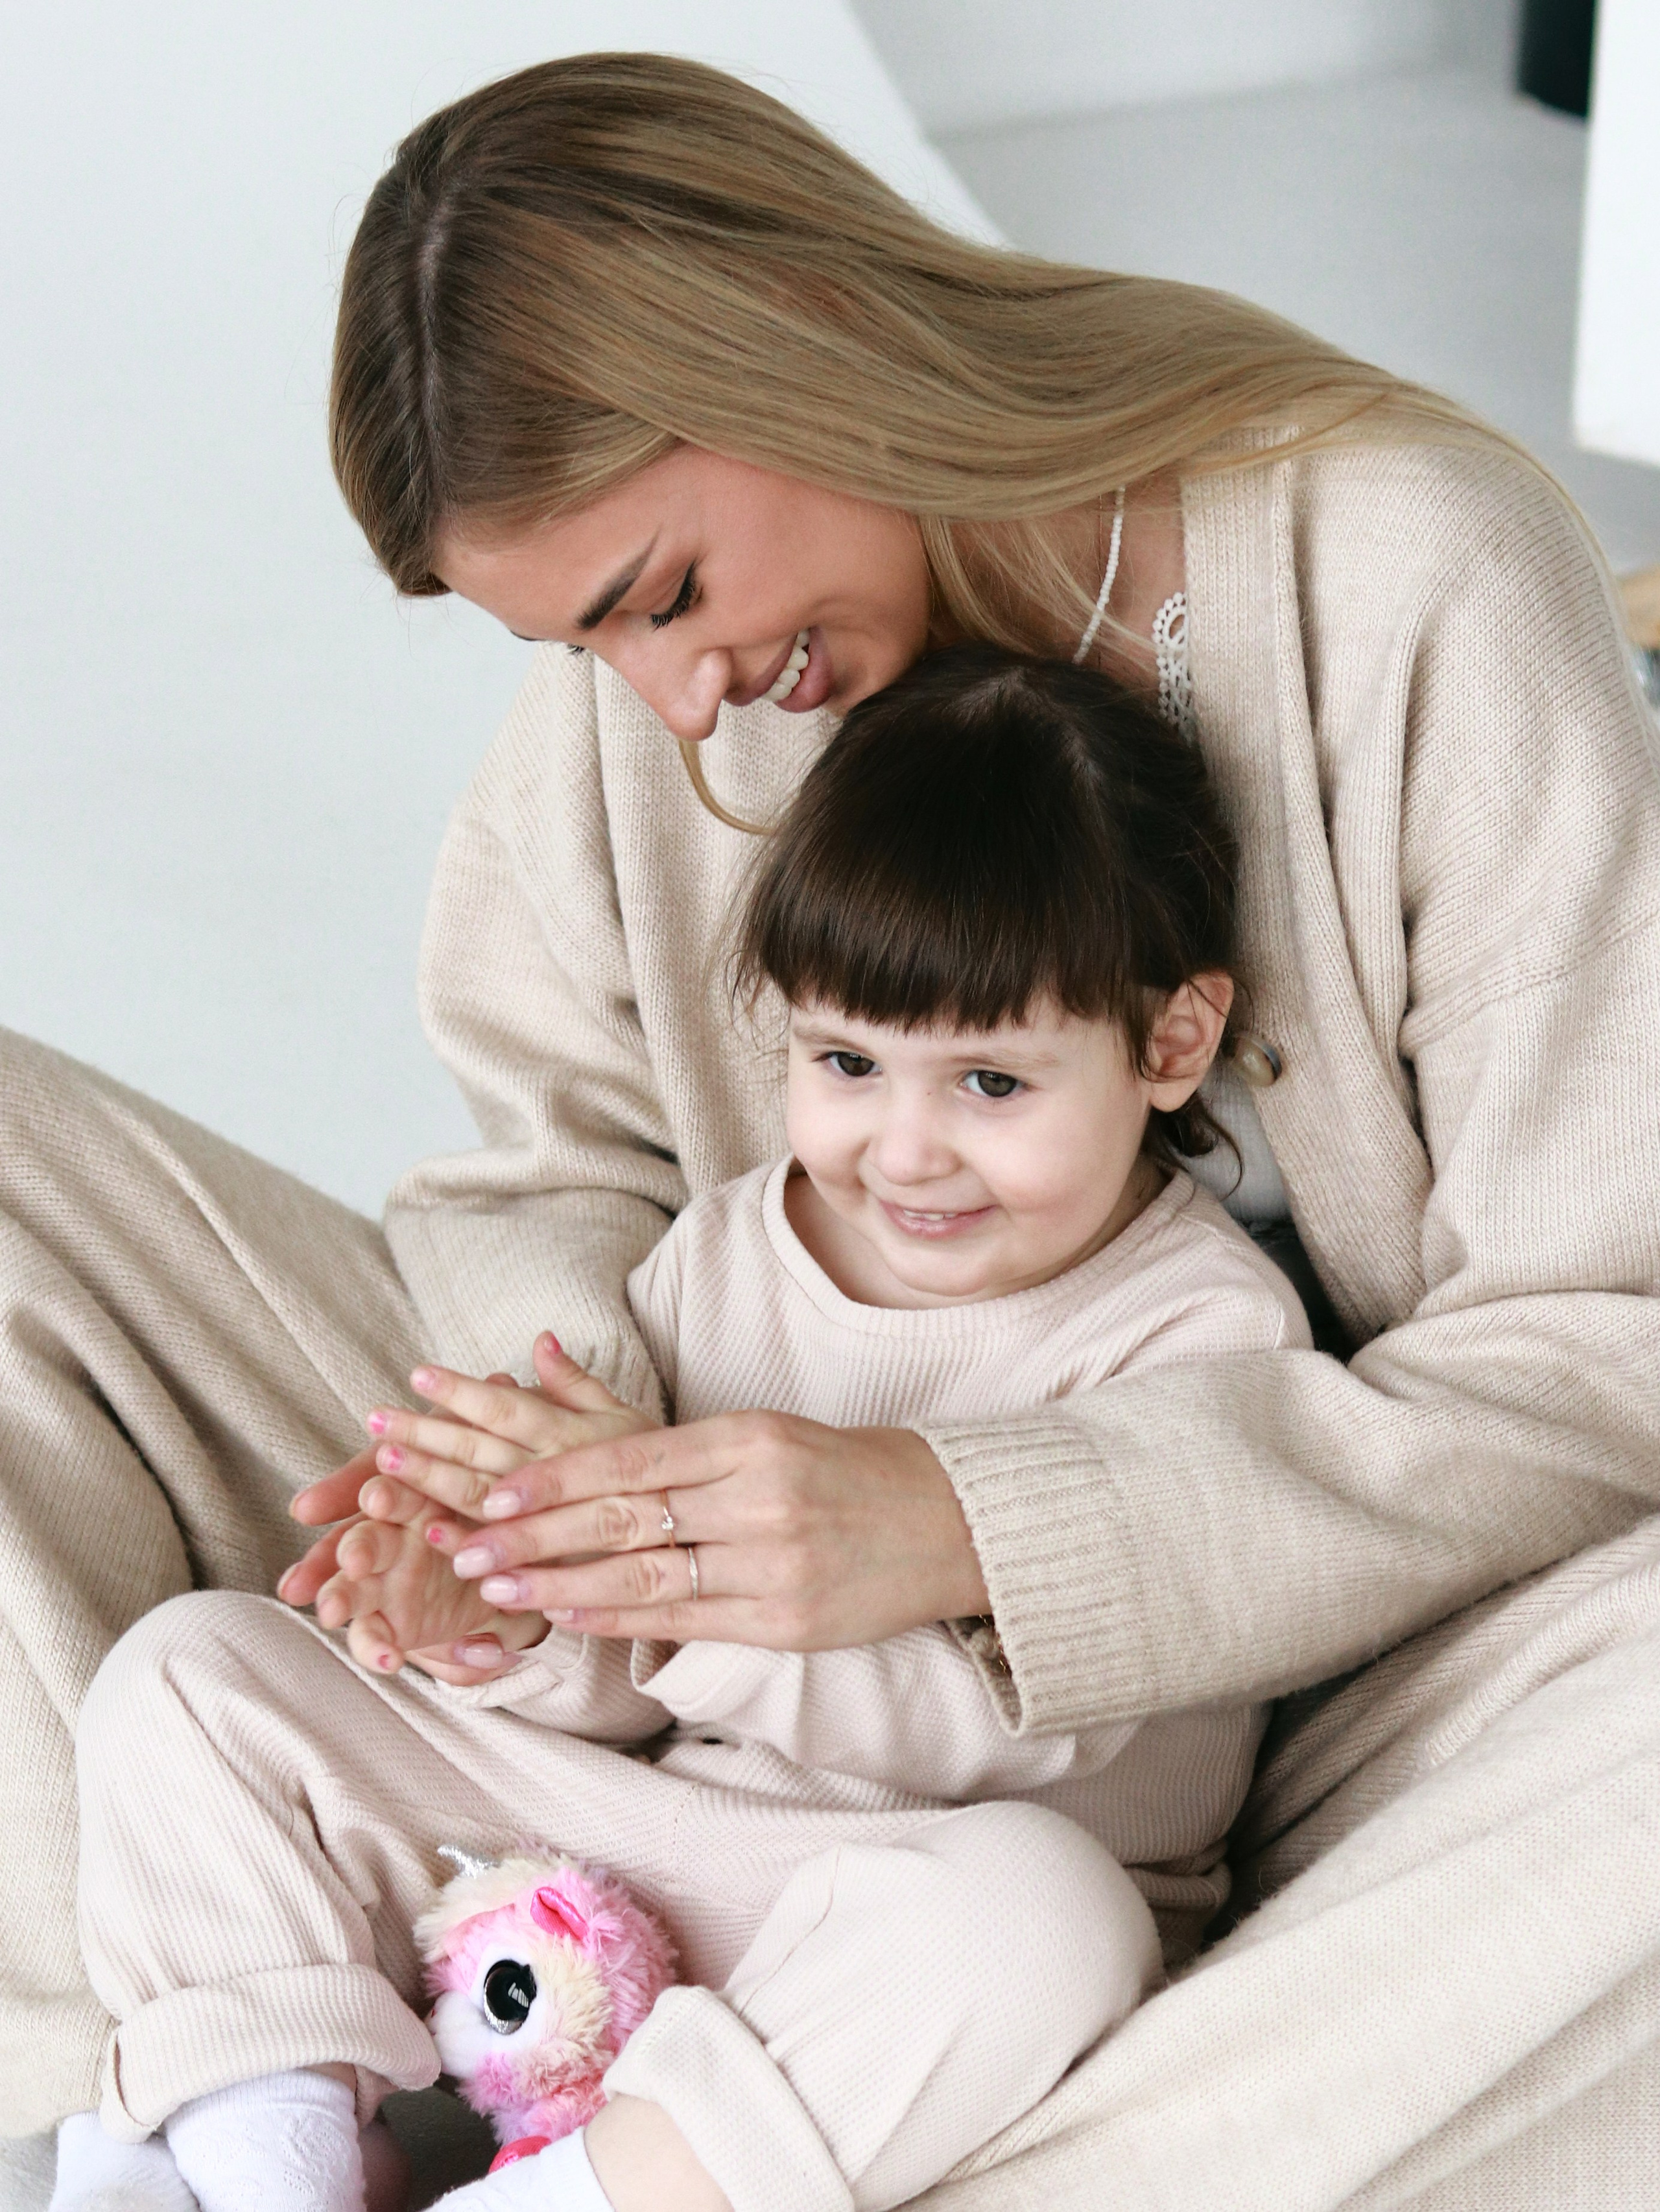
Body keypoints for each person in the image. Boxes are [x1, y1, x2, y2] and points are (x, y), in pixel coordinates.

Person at [6, 44, 1660, 2212]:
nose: (673, 700)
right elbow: (542, 1178)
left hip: (1304, 1693)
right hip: (683, 1613)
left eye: (663, 596)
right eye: (593, 642)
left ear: (808, 339)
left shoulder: (1409, 572)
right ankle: (188, 2109)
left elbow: (1599, 1340)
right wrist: (572, 1475)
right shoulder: (678, 709)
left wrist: (966, 1522)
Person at [67, 647, 1312, 2212]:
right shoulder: (735, 1247)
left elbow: (1048, 1735)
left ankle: (571, 2192)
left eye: (991, 1080)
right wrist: (496, 1623)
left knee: (1043, 1920)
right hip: (644, 1847)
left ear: (1170, 1043)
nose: (904, 1150)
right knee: (192, 1674)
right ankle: (267, 2159)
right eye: (846, 1063)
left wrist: (668, 1603)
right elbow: (627, 1700)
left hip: (906, 1884)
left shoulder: (1202, 1330)